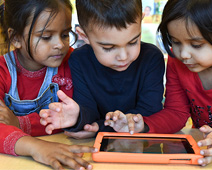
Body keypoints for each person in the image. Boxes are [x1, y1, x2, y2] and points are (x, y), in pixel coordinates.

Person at [104, 0, 212, 167]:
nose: (183, 54)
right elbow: (176, 113)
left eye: (196, 45)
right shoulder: (178, 61)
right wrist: (143, 125)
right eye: (176, 42)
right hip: (203, 151)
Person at [39, 0, 165, 139]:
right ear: (84, 36)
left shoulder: (151, 58)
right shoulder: (79, 60)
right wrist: (78, 116)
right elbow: (88, 111)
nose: (123, 57)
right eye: (108, 48)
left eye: (132, 42)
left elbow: (150, 111)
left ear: (140, 21)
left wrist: (101, 128)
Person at [0, 0, 96, 170]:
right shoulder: (2, 72)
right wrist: (36, 147)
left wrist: (19, 124)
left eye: (65, 34)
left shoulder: (74, 62)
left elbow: (83, 112)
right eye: (46, 37)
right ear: (16, 38)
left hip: (64, 147)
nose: (60, 44)